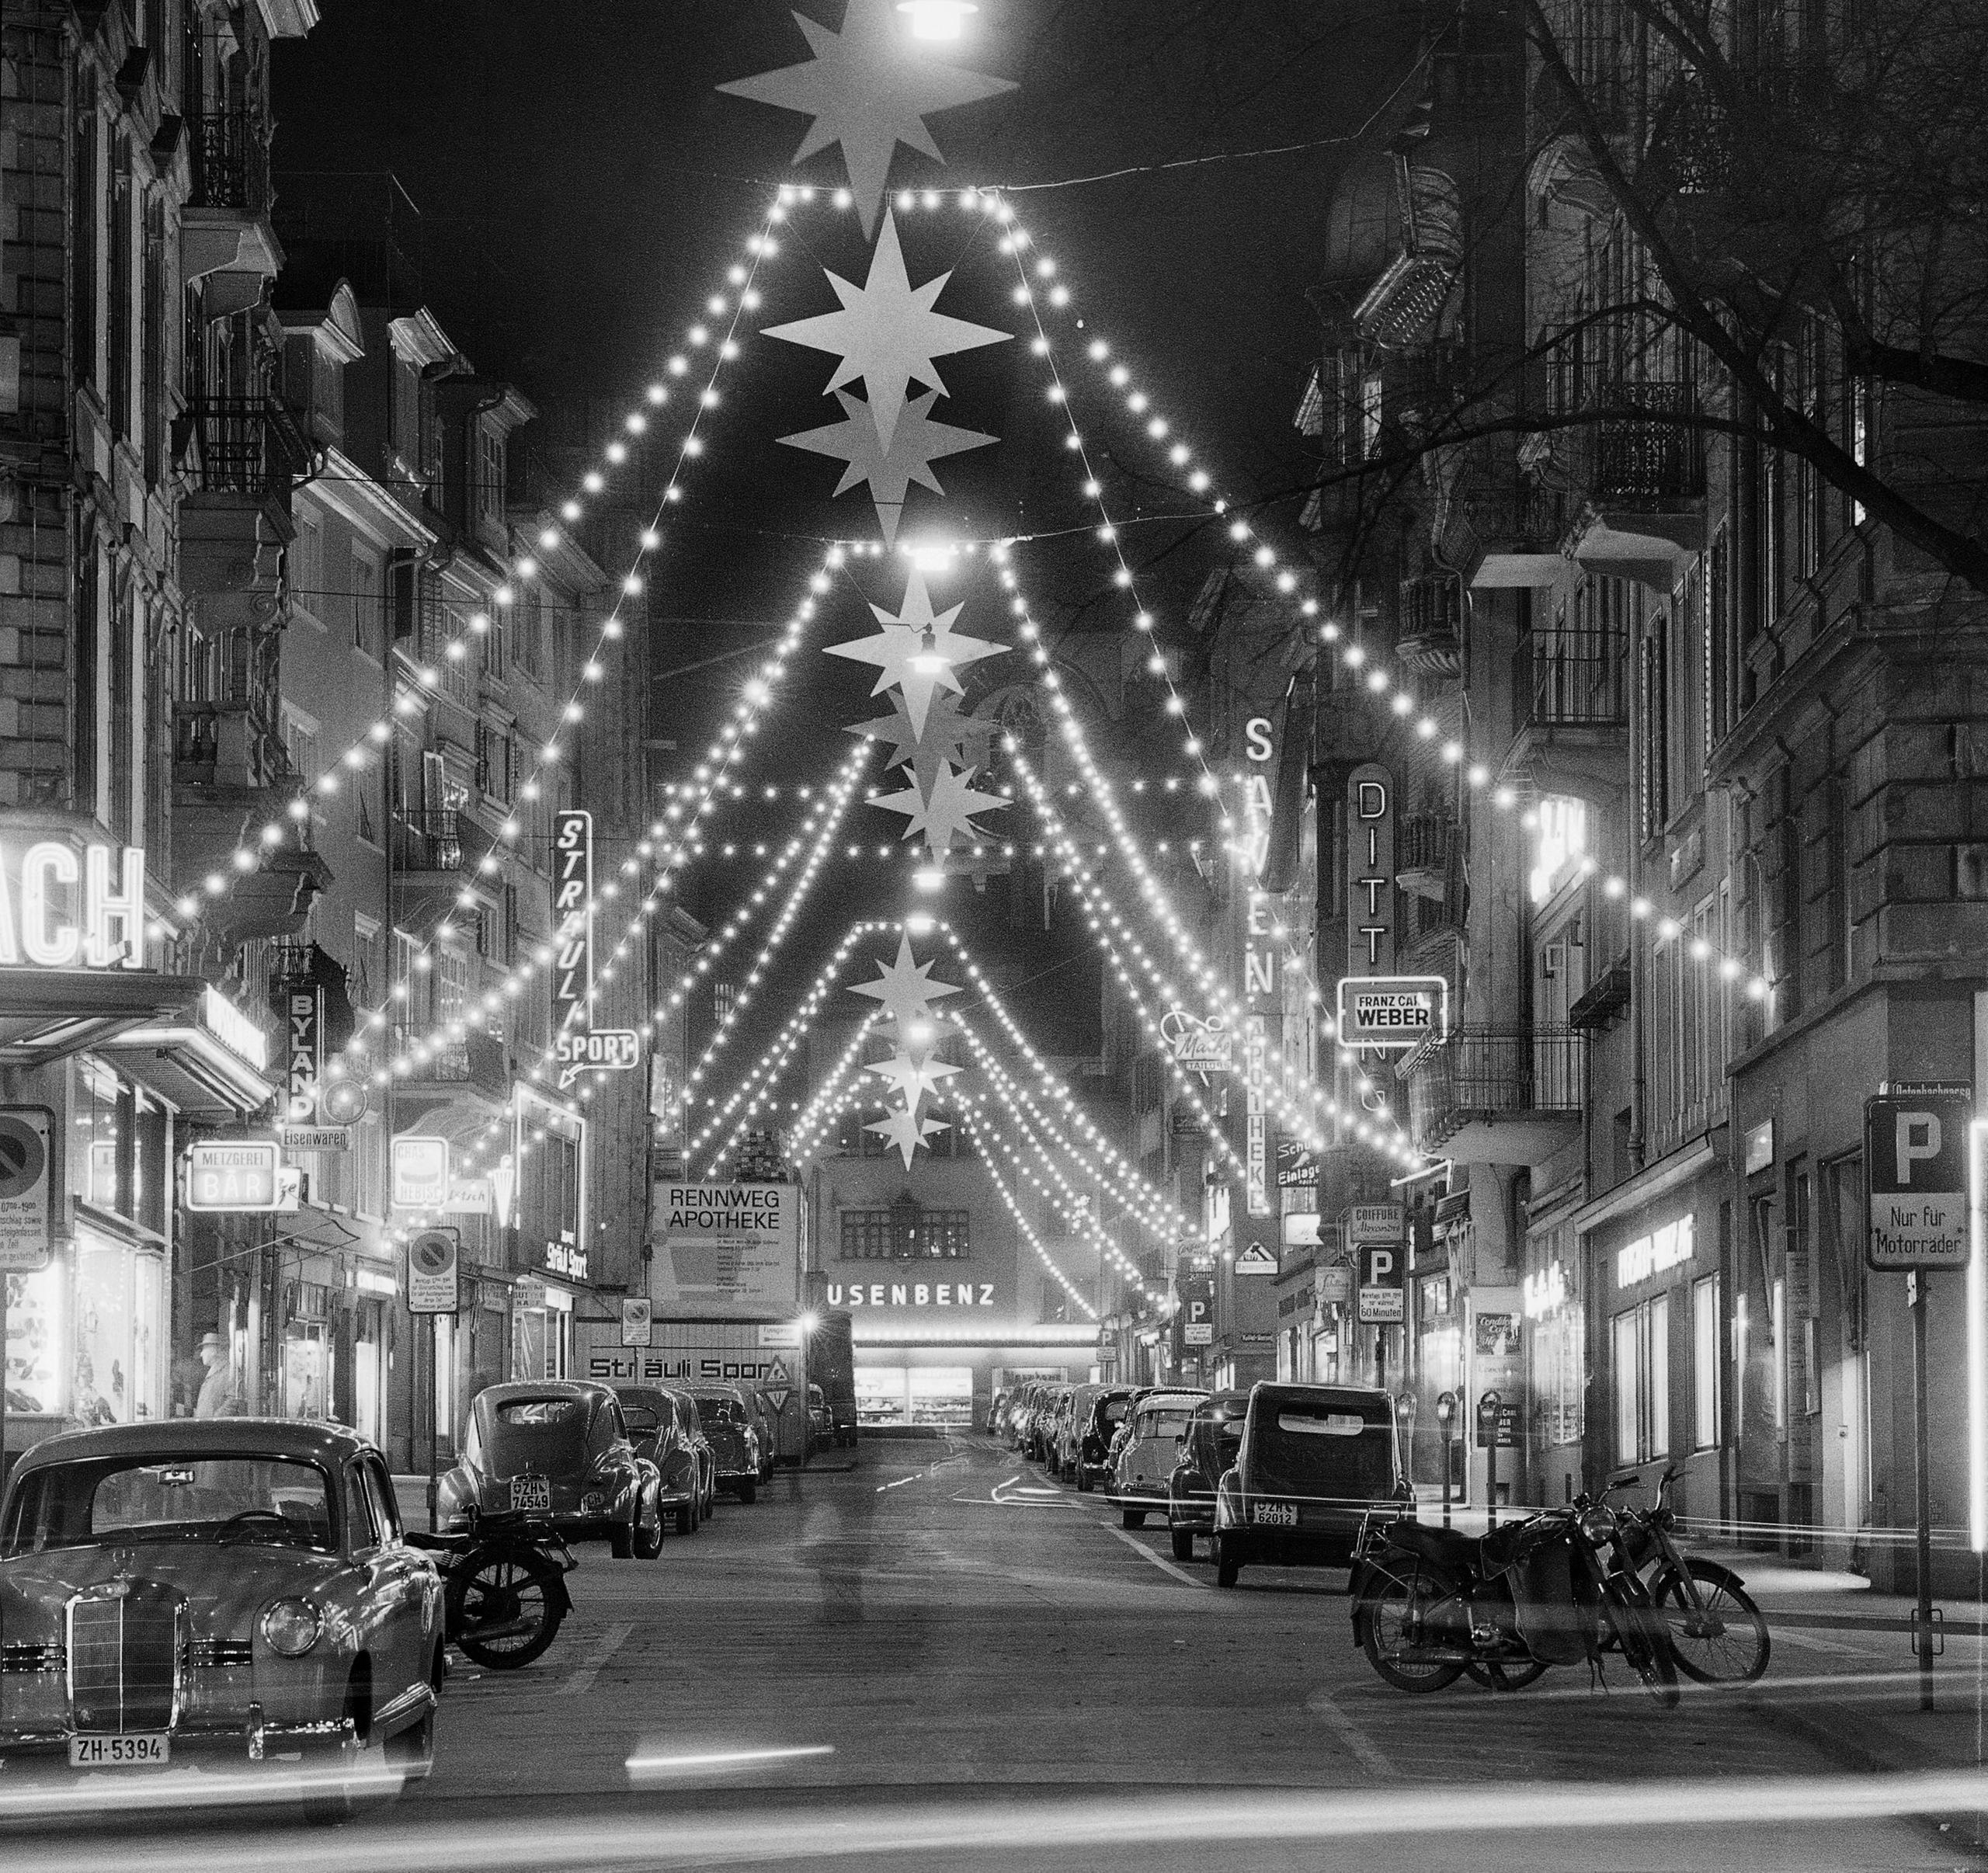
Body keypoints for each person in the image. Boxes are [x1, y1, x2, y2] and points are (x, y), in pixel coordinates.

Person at [193, 1331, 245, 1418]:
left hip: (216, 1429)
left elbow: (233, 1401)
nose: (201, 1354)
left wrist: (214, 1420)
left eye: (204, 1350)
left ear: (213, 1351)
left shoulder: (229, 1371)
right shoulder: (215, 1371)